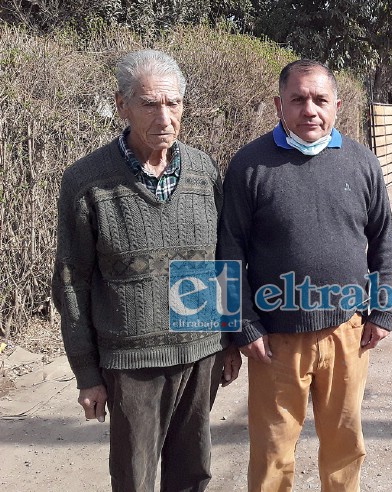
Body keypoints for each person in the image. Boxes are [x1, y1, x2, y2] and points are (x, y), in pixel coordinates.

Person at [51, 49, 242, 491]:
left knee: (193, 473)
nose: (165, 117)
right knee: (134, 478)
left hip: (201, 356)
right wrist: (87, 373)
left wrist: (230, 339)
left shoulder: (203, 170)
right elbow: (71, 280)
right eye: (150, 104)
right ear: (122, 105)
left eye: (173, 103)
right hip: (130, 365)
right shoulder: (87, 181)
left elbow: (224, 260)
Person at [217, 59, 392, 491]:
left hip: (346, 335)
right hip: (274, 342)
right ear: (280, 105)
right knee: (272, 452)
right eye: (298, 100)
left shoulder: (363, 163)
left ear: (336, 104)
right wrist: (243, 325)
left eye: (320, 100)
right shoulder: (250, 166)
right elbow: (229, 251)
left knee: (344, 446)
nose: (310, 110)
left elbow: (384, 242)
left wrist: (382, 311)